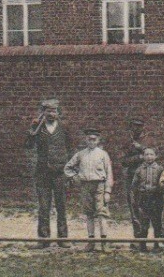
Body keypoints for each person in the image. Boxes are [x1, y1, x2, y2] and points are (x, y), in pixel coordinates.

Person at [26, 98, 72, 247]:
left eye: (54, 111)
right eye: (48, 111)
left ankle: (63, 238)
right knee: (44, 206)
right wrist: (31, 131)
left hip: (60, 173)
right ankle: (44, 239)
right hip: (43, 173)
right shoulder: (39, 128)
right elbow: (28, 145)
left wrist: (69, 171)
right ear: (43, 113)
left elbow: (71, 150)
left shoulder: (64, 128)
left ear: (58, 113)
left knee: (61, 206)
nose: (51, 114)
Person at [64, 130, 114, 251]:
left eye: (94, 139)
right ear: (86, 140)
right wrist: (75, 177)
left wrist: (108, 191)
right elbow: (68, 168)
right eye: (89, 139)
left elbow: (109, 173)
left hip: (99, 186)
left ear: (98, 141)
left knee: (102, 214)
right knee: (89, 214)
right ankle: (91, 242)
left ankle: (104, 242)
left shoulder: (103, 154)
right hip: (85, 186)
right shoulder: (80, 154)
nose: (91, 141)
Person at [127, 146, 164, 250]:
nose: (149, 157)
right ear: (143, 156)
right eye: (146, 154)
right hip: (143, 198)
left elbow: (163, 183)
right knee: (144, 221)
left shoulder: (160, 169)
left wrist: (159, 192)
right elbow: (134, 185)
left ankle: (157, 244)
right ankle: (143, 244)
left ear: (156, 156)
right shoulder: (139, 170)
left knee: (156, 222)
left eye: (151, 154)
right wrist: (135, 197)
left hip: (156, 198)